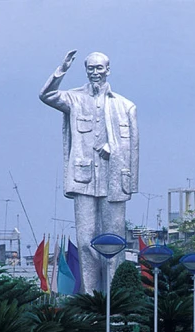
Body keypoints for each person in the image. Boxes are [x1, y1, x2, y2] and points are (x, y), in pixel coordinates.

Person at [40, 50, 139, 294]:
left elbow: (133, 146)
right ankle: (91, 298)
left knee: (114, 243)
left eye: (99, 68)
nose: (95, 73)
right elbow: (47, 95)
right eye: (91, 68)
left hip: (115, 180)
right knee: (85, 242)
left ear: (108, 70)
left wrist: (113, 149)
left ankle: (114, 301)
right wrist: (61, 69)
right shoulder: (74, 98)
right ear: (86, 71)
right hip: (83, 179)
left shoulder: (126, 106)